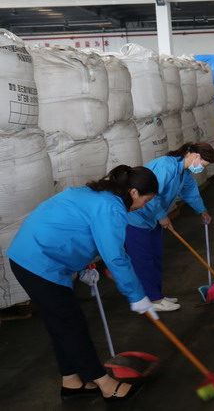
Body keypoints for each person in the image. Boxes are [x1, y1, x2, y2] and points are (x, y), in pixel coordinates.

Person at [7, 166, 159, 402]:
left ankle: (72, 382)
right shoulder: (111, 207)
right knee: (71, 325)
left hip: (31, 255)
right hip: (39, 262)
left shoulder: (98, 195)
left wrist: (83, 265)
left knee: (61, 324)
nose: (143, 206)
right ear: (133, 192)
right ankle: (106, 385)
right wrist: (137, 295)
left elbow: (74, 227)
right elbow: (115, 257)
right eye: (146, 200)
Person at [126, 142, 214, 312]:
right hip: (136, 218)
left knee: (156, 256)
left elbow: (190, 192)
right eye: (204, 165)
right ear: (196, 156)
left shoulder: (183, 172)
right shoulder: (166, 166)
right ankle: (153, 300)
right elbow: (151, 194)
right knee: (144, 260)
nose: (202, 169)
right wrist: (161, 216)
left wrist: (202, 210)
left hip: (151, 219)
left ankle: (157, 295)